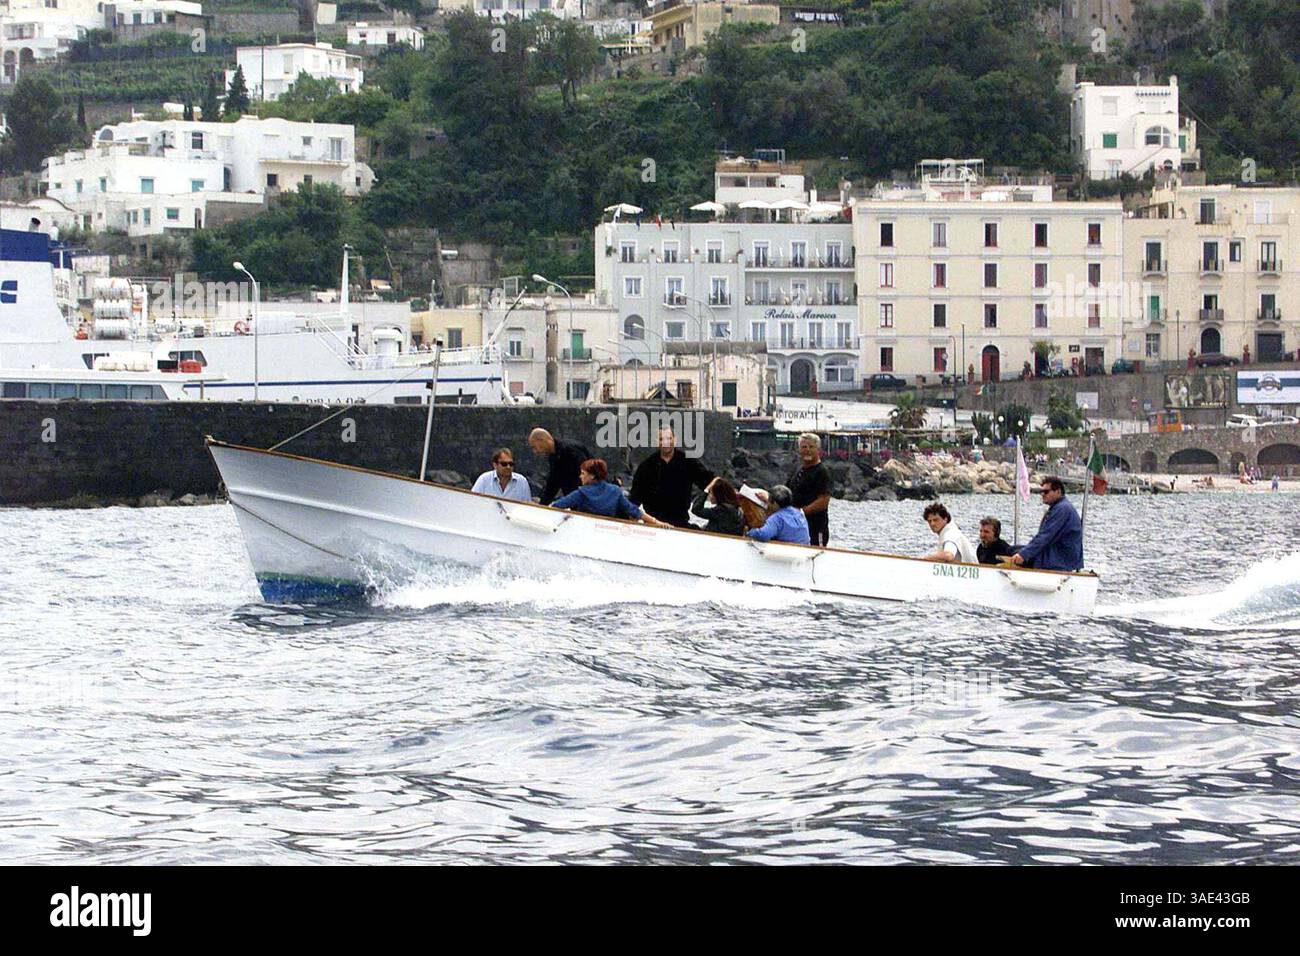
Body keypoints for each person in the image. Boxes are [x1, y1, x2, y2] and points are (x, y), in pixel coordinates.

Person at [629, 426, 714, 528]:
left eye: (669, 438)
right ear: (656, 441)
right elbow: (634, 499)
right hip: (654, 524)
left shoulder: (688, 462)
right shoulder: (646, 466)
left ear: (675, 439)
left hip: (680, 523)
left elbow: (709, 481)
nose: (665, 442)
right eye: (661, 439)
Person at [552, 458, 668, 527]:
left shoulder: (581, 493)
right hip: (608, 532)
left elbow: (557, 506)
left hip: (585, 531)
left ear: (592, 476)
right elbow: (634, 511)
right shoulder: (615, 491)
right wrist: (657, 522)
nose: (580, 476)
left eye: (583, 473)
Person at [1011, 476, 1082, 571]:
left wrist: (1023, 555)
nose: (1042, 494)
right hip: (1054, 553)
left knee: (1013, 552)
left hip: (1059, 559)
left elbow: (1045, 536)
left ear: (1058, 492)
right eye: (1042, 492)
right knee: (1012, 549)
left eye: (1046, 492)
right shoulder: (1059, 507)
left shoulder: (1062, 509)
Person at [787, 432, 832, 546]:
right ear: (799, 450)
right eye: (804, 447)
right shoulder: (797, 470)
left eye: (811, 447)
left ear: (818, 450)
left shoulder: (822, 472)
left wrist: (801, 512)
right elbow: (786, 492)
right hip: (796, 526)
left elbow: (823, 501)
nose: (807, 450)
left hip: (816, 527)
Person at [529, 428, 591, 505]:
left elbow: (587, 475)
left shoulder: (571, 450)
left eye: (534, 447)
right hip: (576, 502)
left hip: (588, 501)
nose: (535, 451)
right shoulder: (553, 458)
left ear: (541, 440)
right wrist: (542, 505)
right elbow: (552, 484)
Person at [746, 484, 811, 545]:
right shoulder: (799, 513)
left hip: (788, 551)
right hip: (805, 549)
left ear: (774, 503)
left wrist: (750, 532)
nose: (768, 504)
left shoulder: (778, 517)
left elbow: (763, 535)